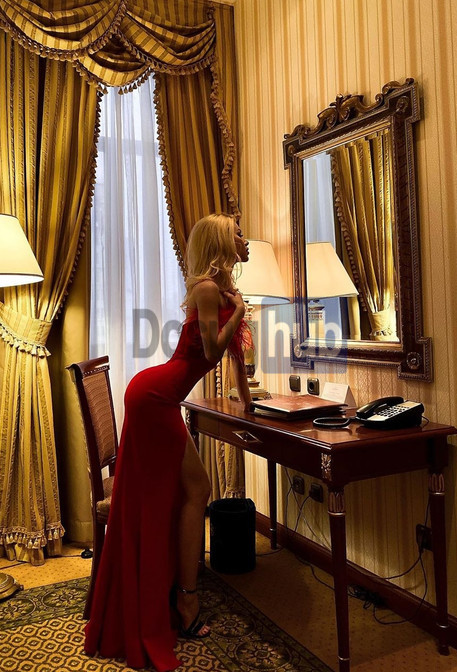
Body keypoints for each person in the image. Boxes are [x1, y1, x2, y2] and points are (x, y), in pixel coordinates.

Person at [84, 213, 253, 672]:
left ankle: (180, 593)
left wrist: (250, 405)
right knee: (195, 490)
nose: (244, 238)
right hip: (154, 398)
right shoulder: (207, 289)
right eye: (238, 232)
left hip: (161, 396)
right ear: (221, 241)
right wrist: (239, 312)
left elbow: (234, 357)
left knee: (192, 491)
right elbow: (212, 350)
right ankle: (185, 599)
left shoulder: (224, 292)